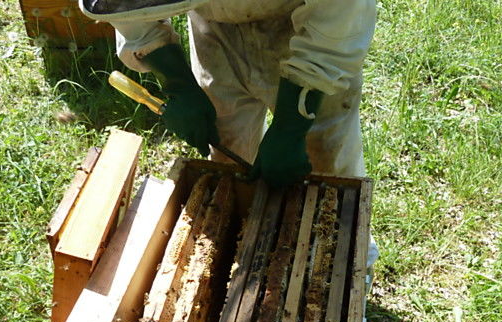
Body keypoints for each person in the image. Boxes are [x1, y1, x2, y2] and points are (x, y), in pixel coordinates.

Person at [79, 0, 377, 189]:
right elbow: (128, 10)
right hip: (213, 22)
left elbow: (338, 24)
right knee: (227, 153)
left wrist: (291, 127)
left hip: (307, 20)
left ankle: (348, 262)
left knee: (325, 160)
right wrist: (178, 83)